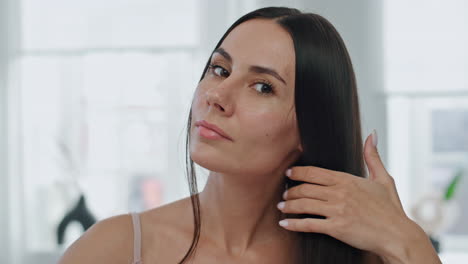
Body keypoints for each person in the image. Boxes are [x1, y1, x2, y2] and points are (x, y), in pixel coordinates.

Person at [58, 7, 441, 264]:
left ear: (310, 128)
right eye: (220, 70)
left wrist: (408, 242)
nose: (216, 95)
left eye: (262, 87)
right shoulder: (116, 248)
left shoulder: (367, 256)